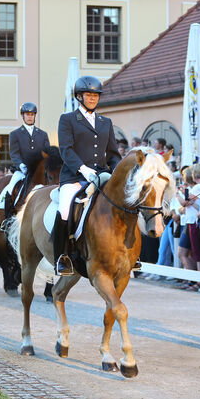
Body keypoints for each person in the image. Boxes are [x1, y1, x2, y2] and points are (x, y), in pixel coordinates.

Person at [53, 76, 123, 276]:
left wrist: (115, 173)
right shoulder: (67, 119)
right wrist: (83, 169)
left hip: (101, 176)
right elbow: (66, 150)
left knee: (123, 204)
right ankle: (62, 257)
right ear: (79, 96)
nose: (92, 99)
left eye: (95, 95)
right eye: (88, 95)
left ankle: (128, 254)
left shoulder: (105, 122)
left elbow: (113, 154)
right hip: (74, 177)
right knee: (66, 210)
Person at [2, 102, 50, 218]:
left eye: (32, 114)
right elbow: (14, 153)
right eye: (27, 114)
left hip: (39, 171)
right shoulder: (15, 134)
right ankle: (8, 219)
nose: (30, 117)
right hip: (22, 170)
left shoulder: (43, 134)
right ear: (23, 116)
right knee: (10, 189)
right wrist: (21, 165)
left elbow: (47, 153)